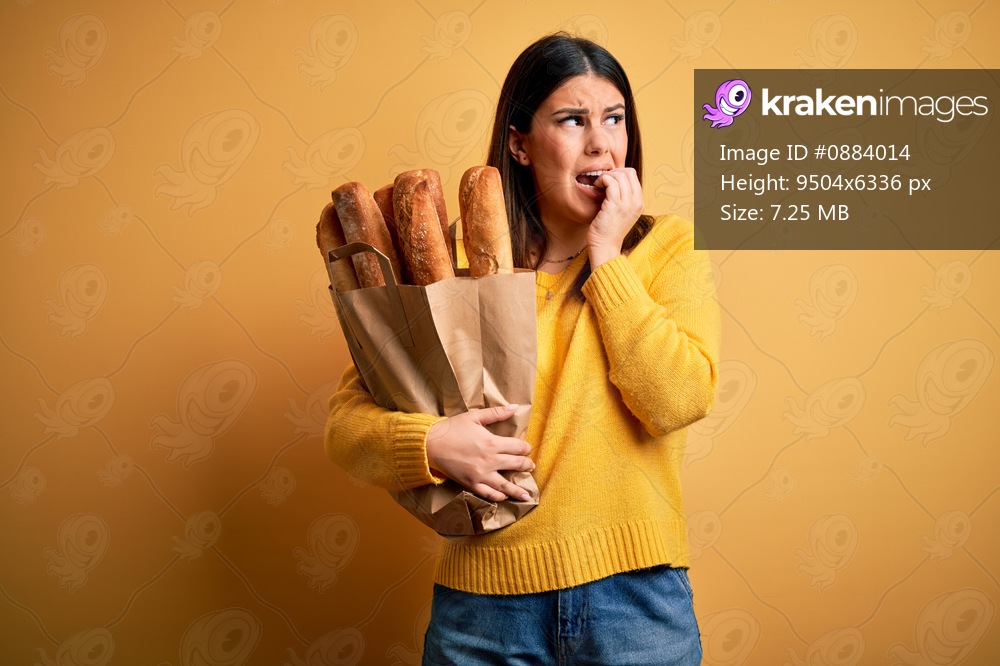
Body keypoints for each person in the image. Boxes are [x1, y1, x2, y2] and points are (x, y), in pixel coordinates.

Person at [325, 33, 720, 665]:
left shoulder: (665, 249)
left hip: (637, 603)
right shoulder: (450, 265)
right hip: (483, 611)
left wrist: (607, 256)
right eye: (572, 120)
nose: (602, 143)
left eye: (615, 118)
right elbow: (346, 426)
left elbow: (677, 399)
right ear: (520, 143)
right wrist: (431, 443)